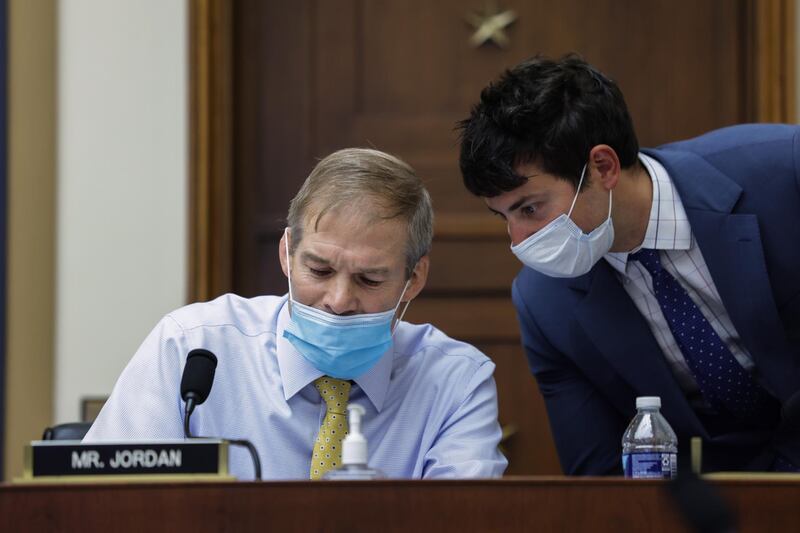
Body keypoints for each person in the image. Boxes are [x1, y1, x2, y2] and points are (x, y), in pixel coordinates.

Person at [458, 54, 800, 475]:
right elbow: (600, 478)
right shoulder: (544, 302)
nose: (517, 240)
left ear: (603, 167)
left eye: (529, 209)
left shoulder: (785, 173)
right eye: (503, 216)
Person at [85, 148, 507, 479]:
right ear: (287, 253)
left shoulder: (456, 383)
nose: (339, 300)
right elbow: (101, 506)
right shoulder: (192, 348)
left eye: (370, 280)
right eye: (319, 270)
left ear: (413, 279)